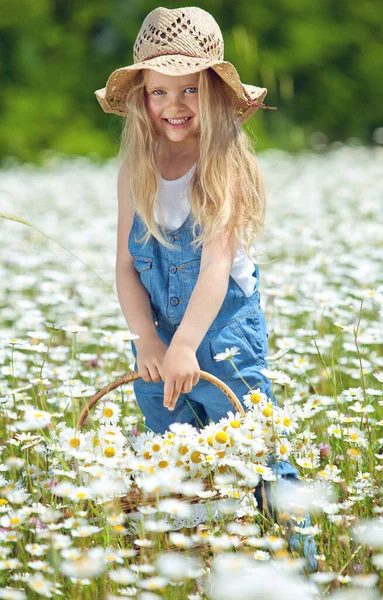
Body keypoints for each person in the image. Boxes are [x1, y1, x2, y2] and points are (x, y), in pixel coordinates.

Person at [95, 6, 316, 569]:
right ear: (141, 98)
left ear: (214, 94)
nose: (174, 105)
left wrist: (188, 346)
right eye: (159, 92)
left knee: (258, 455)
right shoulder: (136, 168)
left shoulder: (223, 164)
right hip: (157, 342)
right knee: (175, 460)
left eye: (189, 90)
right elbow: (125, 266)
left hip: (223, 339)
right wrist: (147, 339)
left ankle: (305, 563)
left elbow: (216, 269)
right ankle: (195, 567)